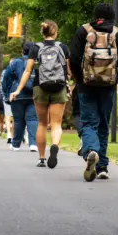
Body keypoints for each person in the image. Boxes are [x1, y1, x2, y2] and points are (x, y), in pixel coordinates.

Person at [69, 5, 118, 180]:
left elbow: (74, 59)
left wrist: (78, 79)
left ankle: (91, 150)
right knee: (104, 123)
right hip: (108, 86)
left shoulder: (83, 31)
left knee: (89, 122)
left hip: (86, 85)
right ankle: (102, 166)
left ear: (95, 15)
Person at [10, 21, 71, 169]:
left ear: (42, 33)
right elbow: (69, 71)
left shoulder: (36, 48)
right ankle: (55, 145)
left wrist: (18, 90)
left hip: (40, 87)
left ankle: (42, 158)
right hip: (59, 86)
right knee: (56, 123)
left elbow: (27, 71)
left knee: (42, 124)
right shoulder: (62, 47)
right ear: (55, 32)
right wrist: (72, 83)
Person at [2, 42, 38, 152]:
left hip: (17, 94)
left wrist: (7, 94)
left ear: (23, 51)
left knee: (18, 120)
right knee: (32, 119)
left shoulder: (16, 62)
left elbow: (6, 79)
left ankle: (16, 144)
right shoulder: (37, 63)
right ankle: (33, 143)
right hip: (33, 94)